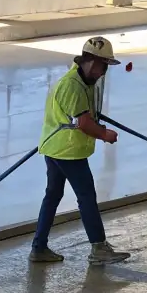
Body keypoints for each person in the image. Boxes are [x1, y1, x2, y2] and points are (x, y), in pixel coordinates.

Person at [30, 37, 130, 267]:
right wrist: (105, 134)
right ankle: (98, 248)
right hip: (67, 151)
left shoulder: (85, 81)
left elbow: (85, 115)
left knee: (53, 195)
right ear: (91, 61)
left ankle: (39, 247)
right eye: (103, 65)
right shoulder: (72, 86)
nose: (104, 72)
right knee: (86, 197)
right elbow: (84, 123)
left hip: (57, 148)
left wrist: (96, 119)